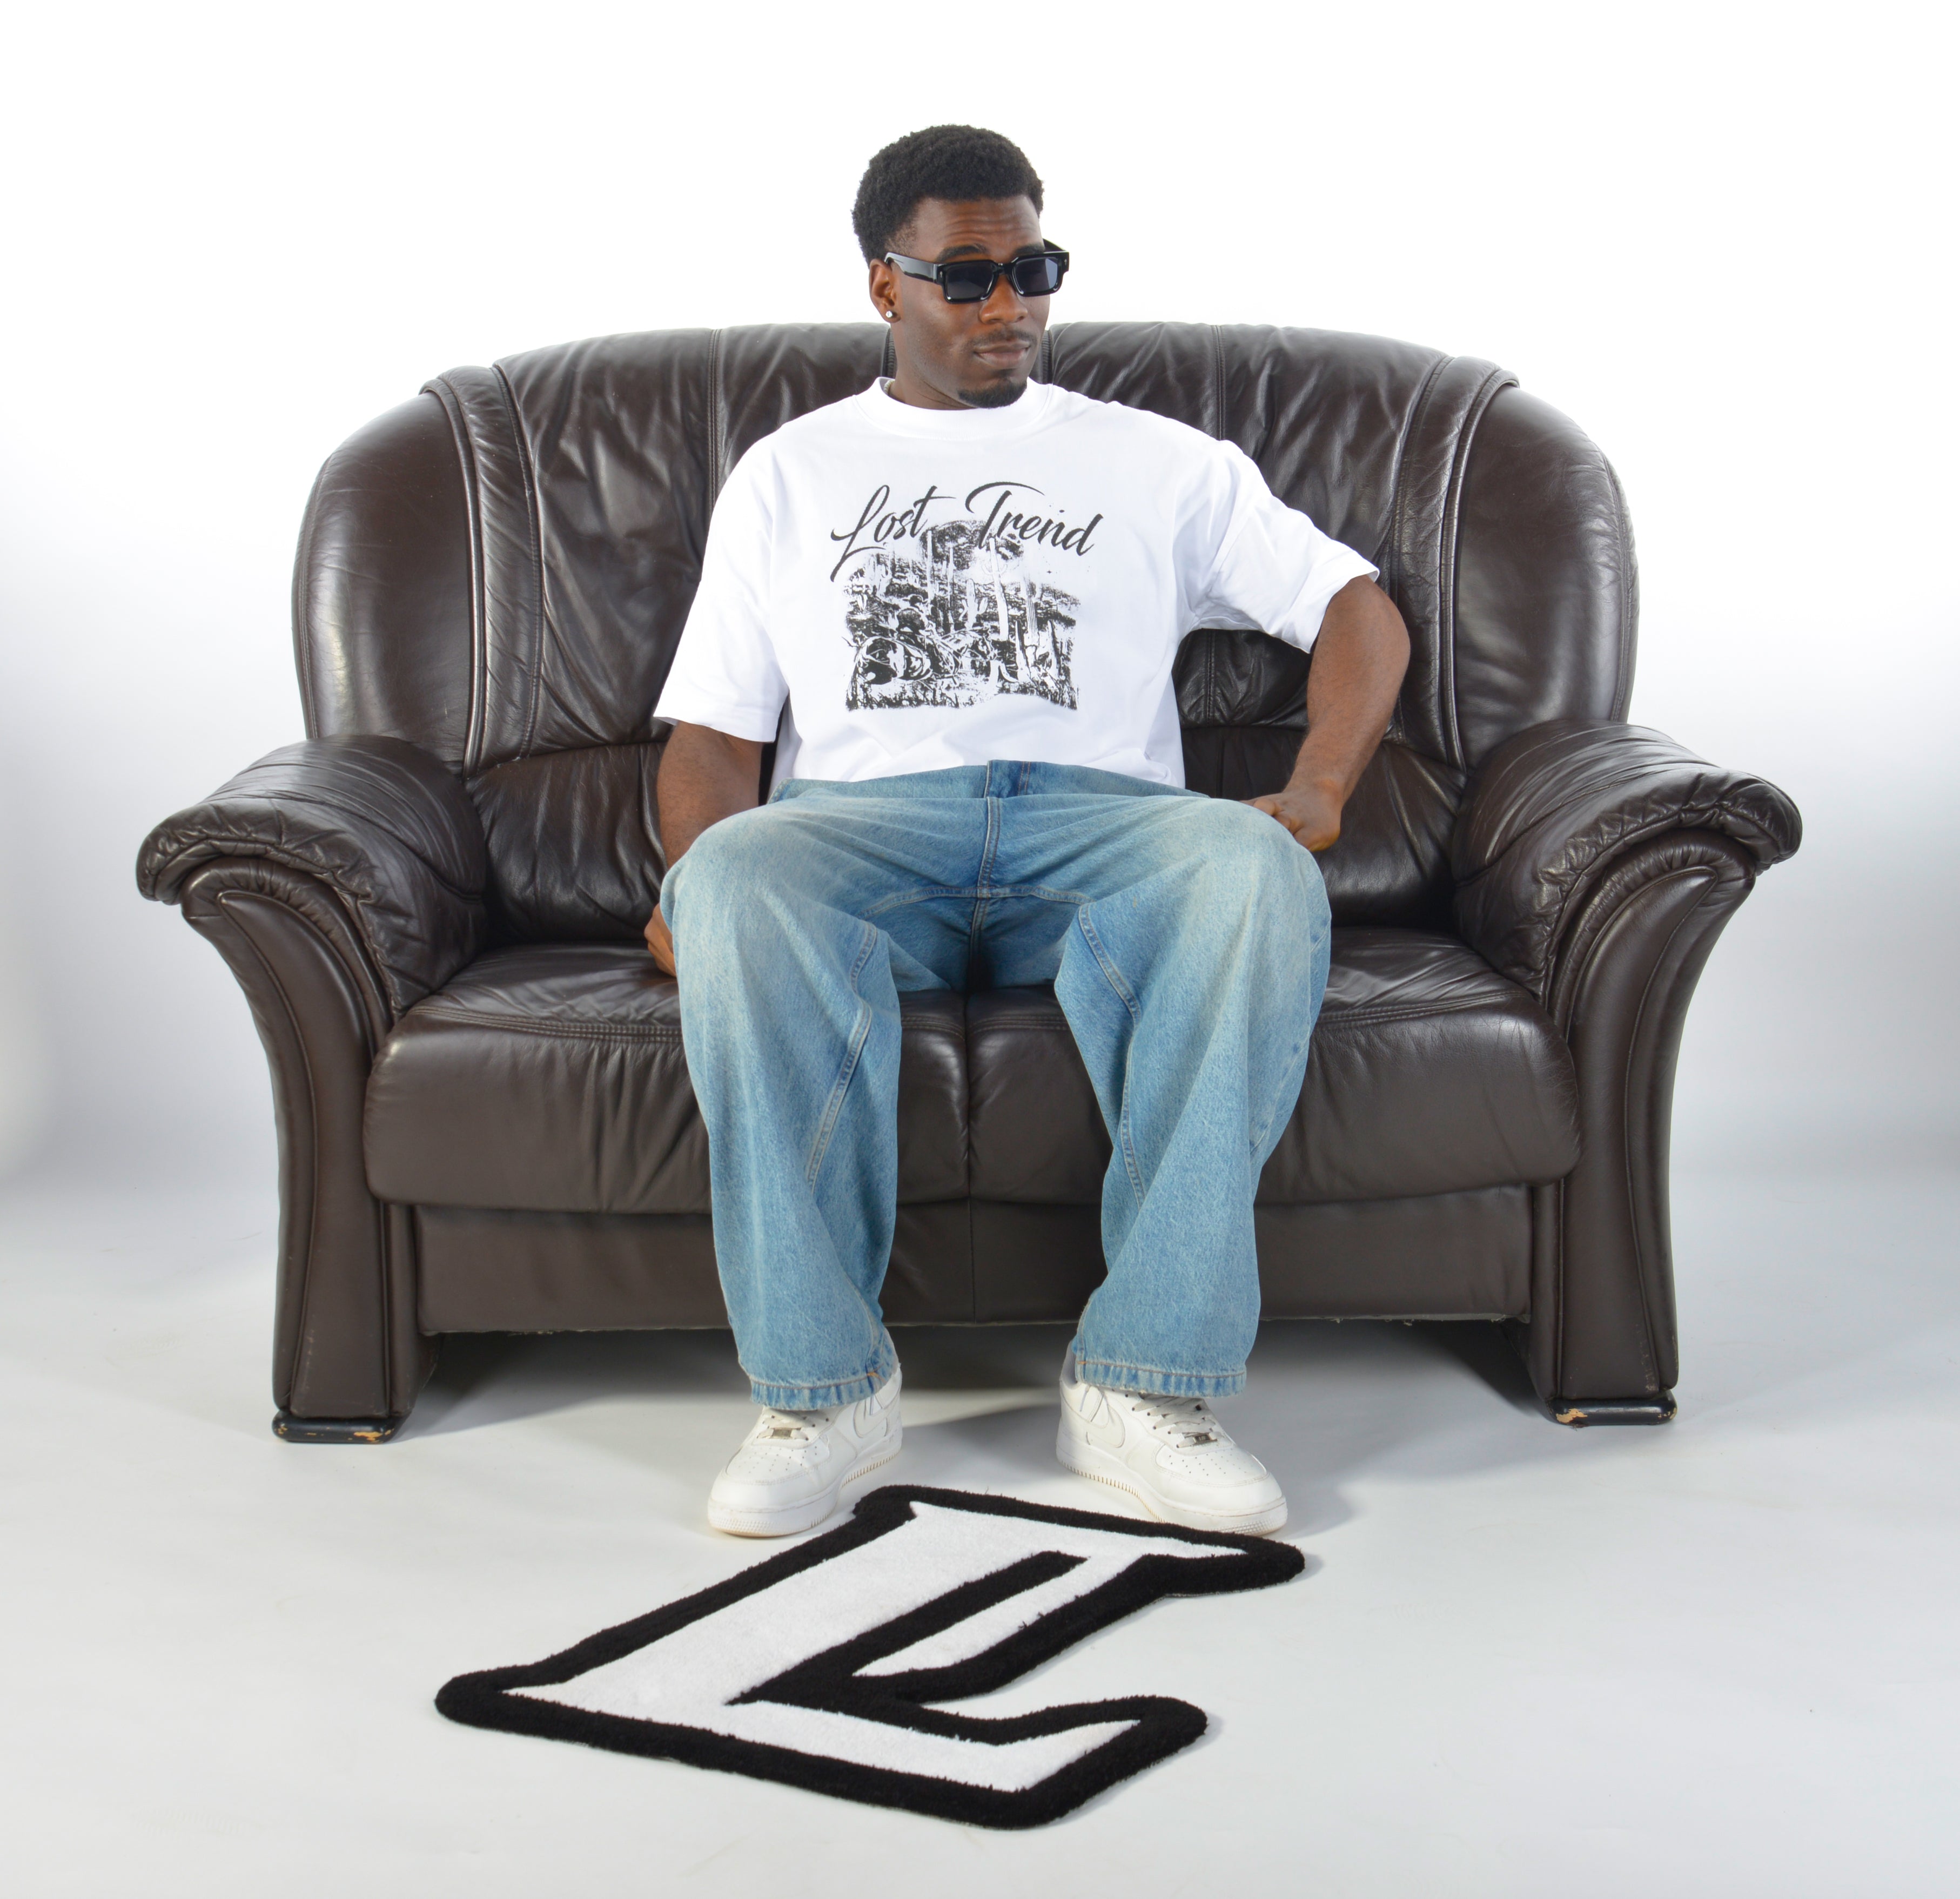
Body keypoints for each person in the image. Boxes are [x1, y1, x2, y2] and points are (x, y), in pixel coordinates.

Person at [646, 125, 1409, 1540]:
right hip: (861, 831)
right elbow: (711, 735)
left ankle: (1143, 1384)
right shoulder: (789, 475)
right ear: (885, 284)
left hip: (1098, 827)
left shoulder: (1156, 462)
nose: (1008, 306)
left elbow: (1354, 606)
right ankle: (822, 1393)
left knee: (1253, 870)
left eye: (1034, 270)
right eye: (967, 276)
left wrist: (1319, 785)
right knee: (733, 873)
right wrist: (693, 876)